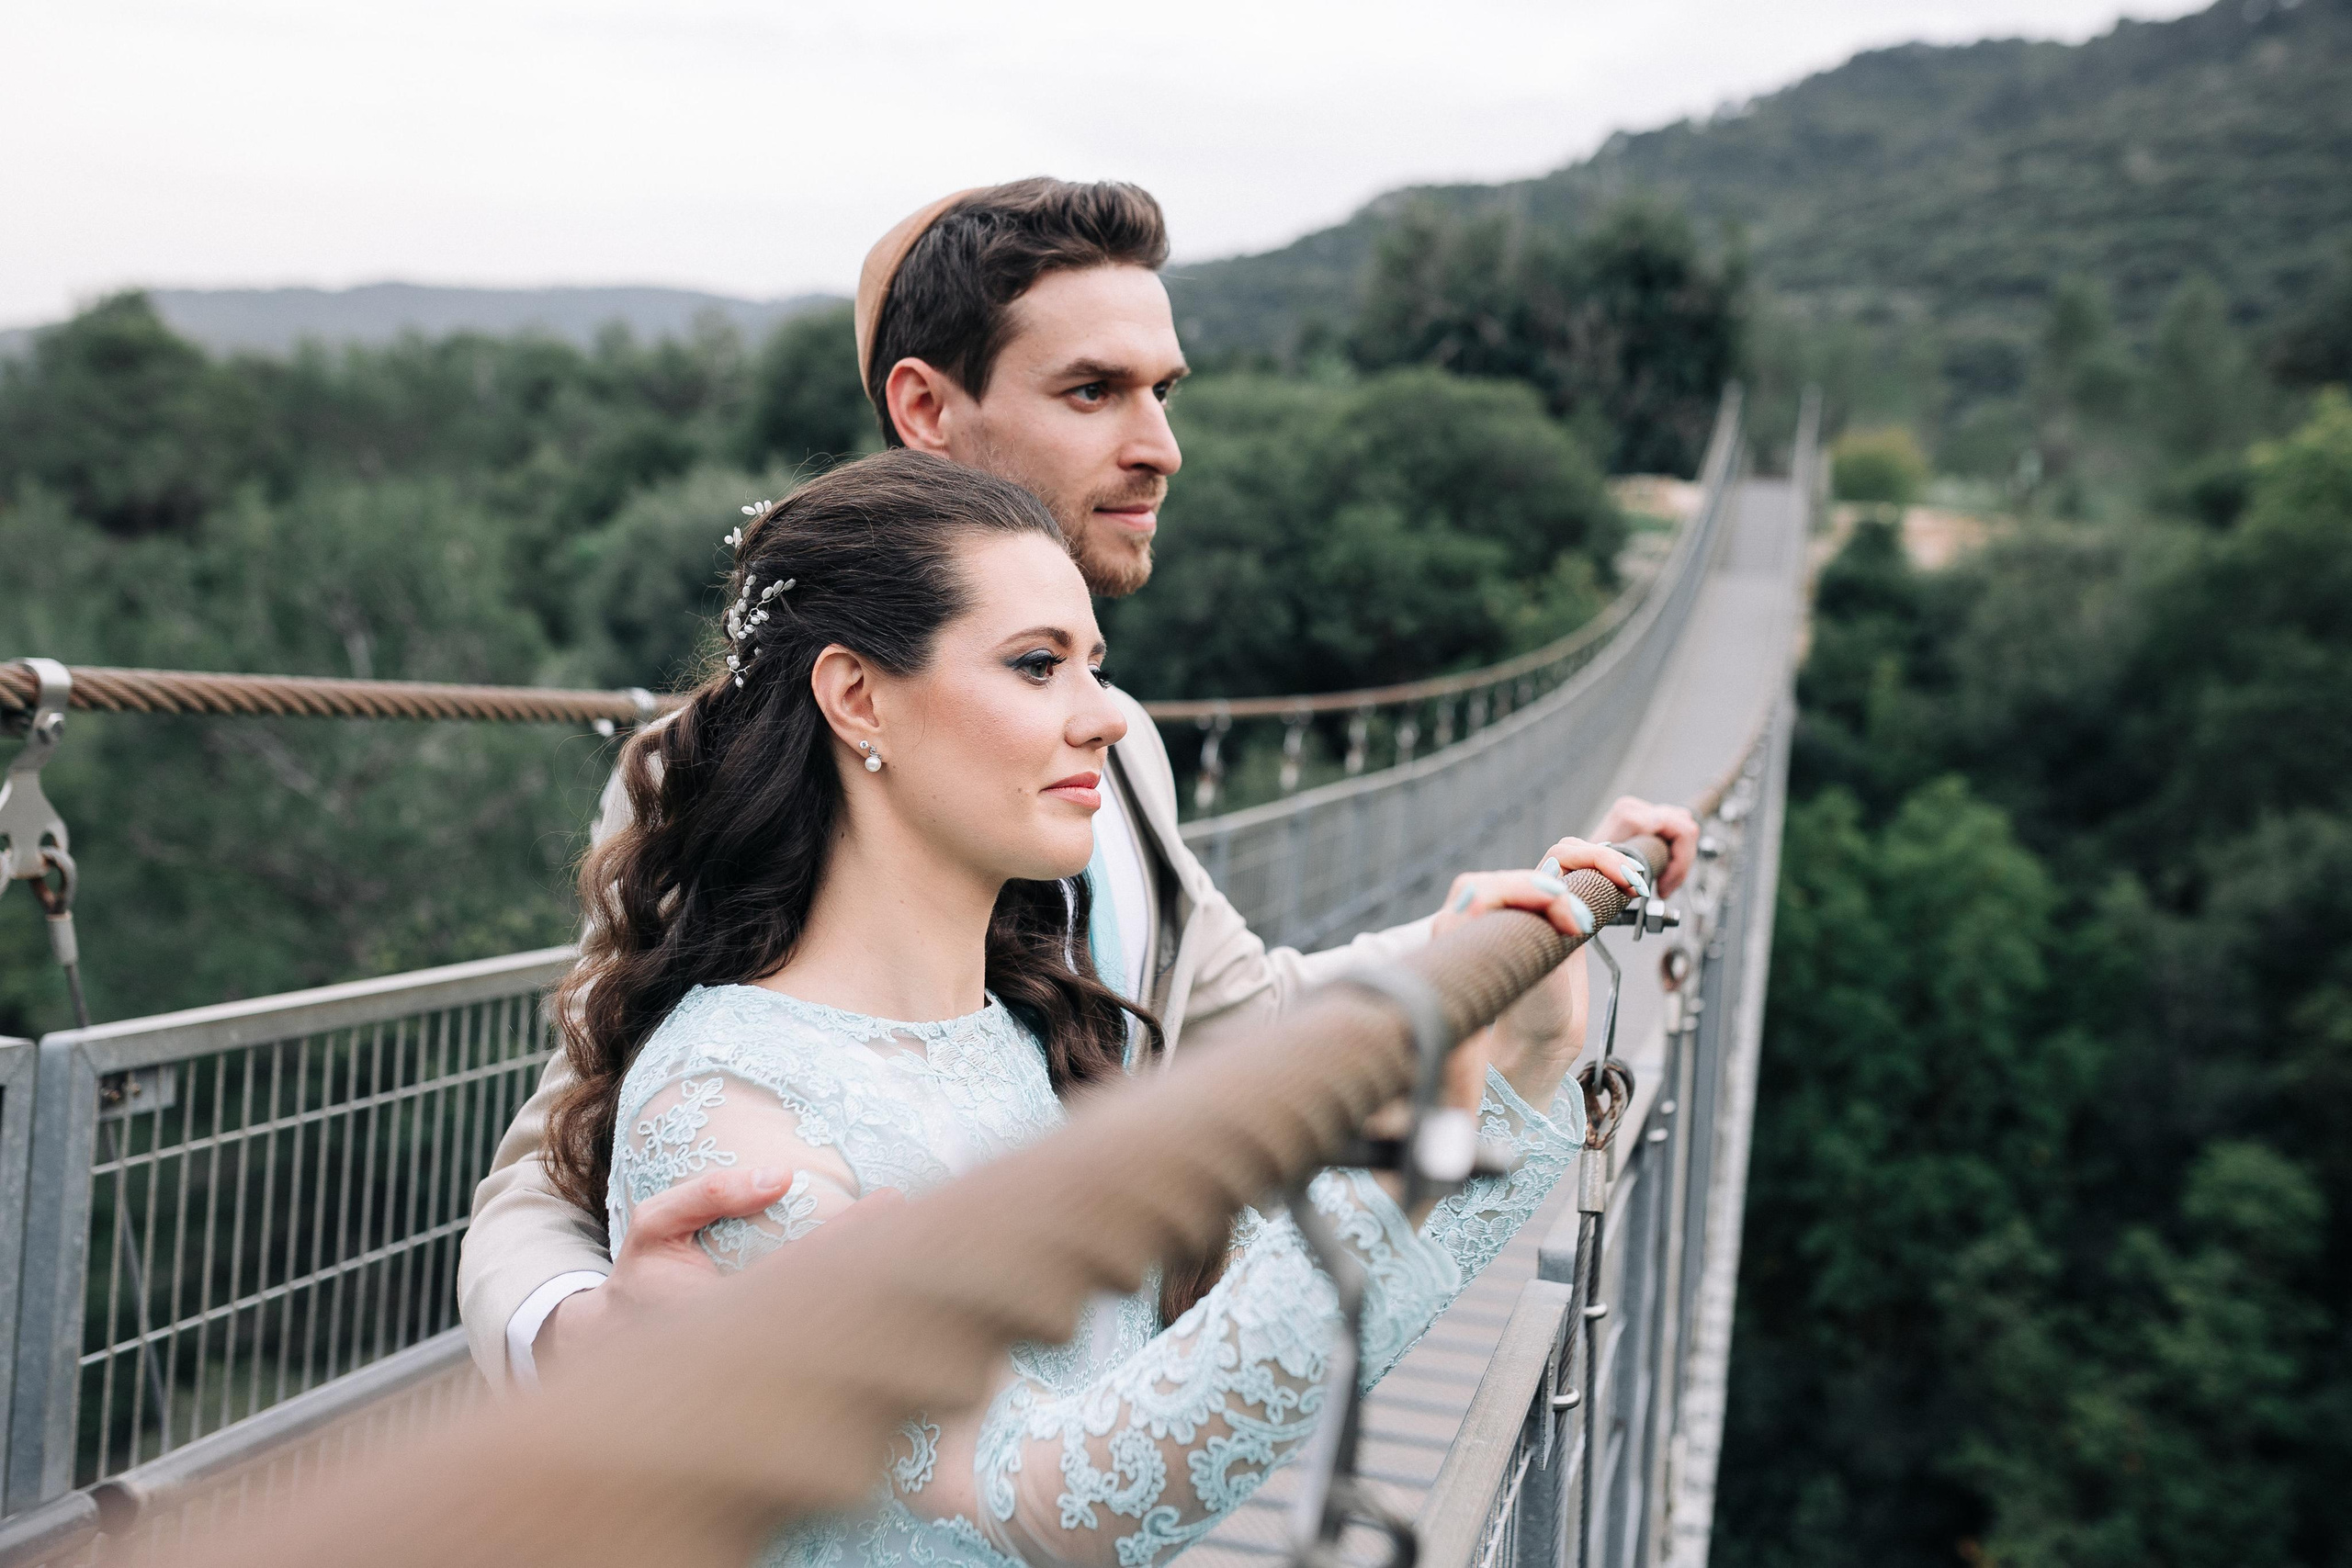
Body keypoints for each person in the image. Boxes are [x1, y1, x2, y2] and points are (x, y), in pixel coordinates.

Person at [457, 177, 1698, 1385]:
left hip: (1110, 1379)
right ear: (927, 408)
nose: (1158, 446)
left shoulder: (1123, 750)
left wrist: (1488, 934)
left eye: (1163, 391)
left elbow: (1231, 1008)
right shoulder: (716, 761)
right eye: (1094, 391)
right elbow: (566, 1144)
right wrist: (583, 1335)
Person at [551, 449, 1629, 1568]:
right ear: (857, 696)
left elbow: (1224, 1343)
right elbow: (1042, 1503)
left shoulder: (1032, 1035)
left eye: (1094, 667)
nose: (1106, 718)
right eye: (1036, 666)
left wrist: (1518, 1074)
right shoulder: (731, 1111)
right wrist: (1387, 1181)